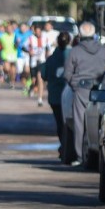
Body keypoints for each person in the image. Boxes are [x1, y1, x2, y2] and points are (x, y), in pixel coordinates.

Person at [63, 21, 105, 166]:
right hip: (102, 92)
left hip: (82, 90)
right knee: (101, 124)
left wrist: (75, 85)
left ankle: (80, 157)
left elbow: (67, 74)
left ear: (80, 35)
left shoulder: (75, 51)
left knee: (80, 124)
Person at [42, 31, 71, 160]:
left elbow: (44, 75)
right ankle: (67, 147)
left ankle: (63, 145)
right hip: (70, 97)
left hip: (55, 97)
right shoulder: (74, 56)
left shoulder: (51, 59)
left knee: (60, 123)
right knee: (70, 124)